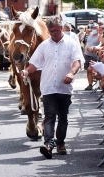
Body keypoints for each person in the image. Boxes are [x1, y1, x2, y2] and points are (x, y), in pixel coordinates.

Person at [20, 16, 84, 159]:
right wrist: (26, 71)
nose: (53, 33)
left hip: (64, 88)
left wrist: (71, 73)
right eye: (50, 31)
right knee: (49, 117)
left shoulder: (71, 43)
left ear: (61, 28)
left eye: (55, 30)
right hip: (48, 87)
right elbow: (34, 63)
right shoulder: (44, 46)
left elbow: (77, 62)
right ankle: (48, 144)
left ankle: (60, 143)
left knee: (63, 118)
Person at [84, 23, 100, 90]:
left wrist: (93, 49)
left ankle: (97, 84)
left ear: (98, 28)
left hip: (93, 56)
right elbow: (87, 43)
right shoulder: (90, 35)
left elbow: (100, 46)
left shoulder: (99, 36)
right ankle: (90, 84)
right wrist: (84, 51)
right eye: (93, 28)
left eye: (95, 27)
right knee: (88, 70)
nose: (94, 29)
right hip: (87, 55)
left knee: (91, 70)